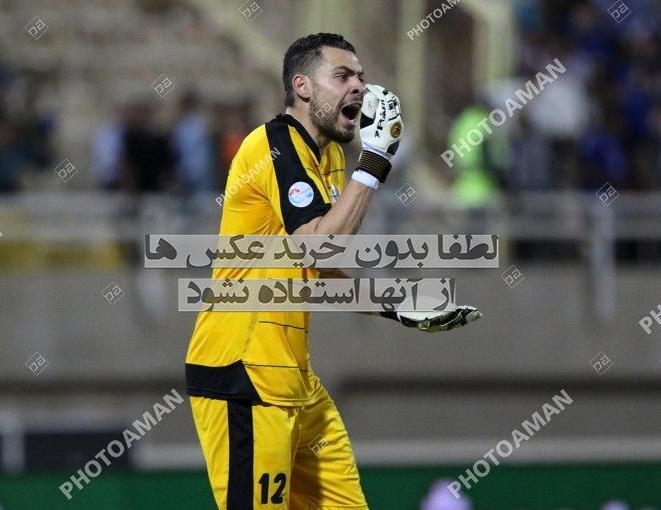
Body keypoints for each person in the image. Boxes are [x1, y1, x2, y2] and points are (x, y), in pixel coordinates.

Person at [185, 33, 480, 509]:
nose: (358, 86)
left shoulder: (328, 156)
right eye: (342, 76)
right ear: (302, 86)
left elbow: (316, 271)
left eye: (361, 76)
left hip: (292, 377)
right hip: (244, 373)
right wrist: (374, 163)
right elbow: (319, 250)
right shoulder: (273, 145)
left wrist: (396, 306)